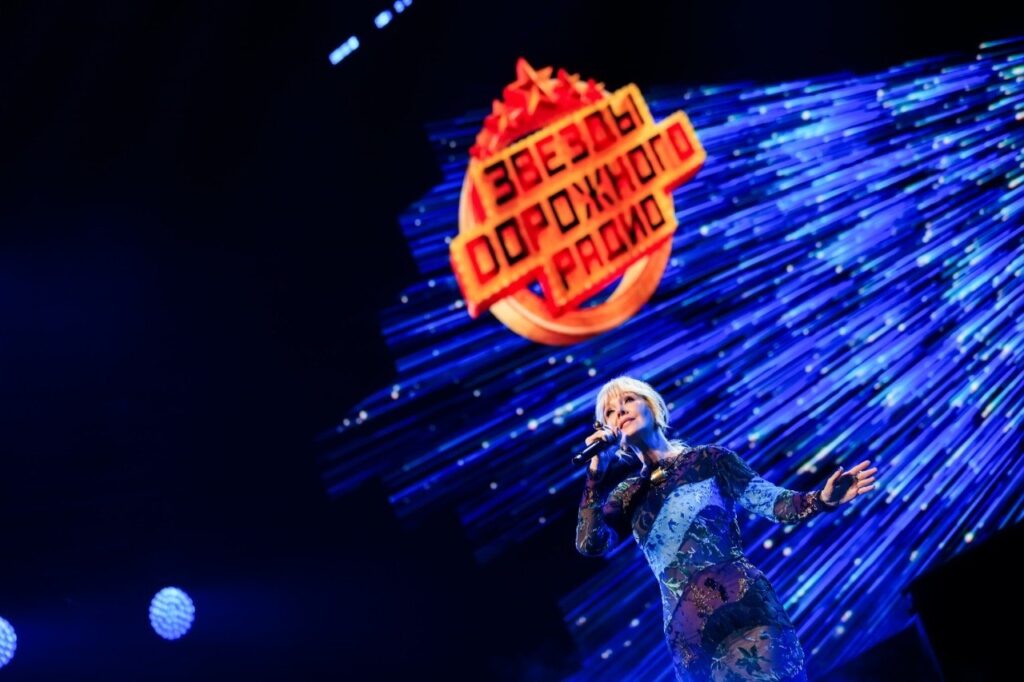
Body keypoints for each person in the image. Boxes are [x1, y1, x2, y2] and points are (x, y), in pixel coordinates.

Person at [575, 376, 877, 681]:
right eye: (610, 412)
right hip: (690, 635)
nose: (620, 411)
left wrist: (822, 499)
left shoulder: (709, 459)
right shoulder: (626, 495)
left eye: (628, 400)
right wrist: (595, 477)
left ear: (652, 406)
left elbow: (772, 502)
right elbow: (590, 544)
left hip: (744, 607)